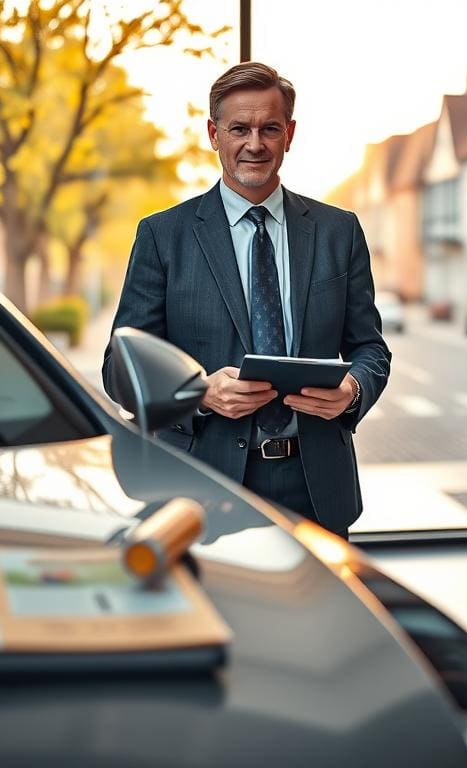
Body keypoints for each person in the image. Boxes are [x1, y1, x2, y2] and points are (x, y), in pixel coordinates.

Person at [102, 62, 390, 538]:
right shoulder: (162, 236)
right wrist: (199, 392)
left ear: (289, 134)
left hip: (317, 486)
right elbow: (119, 368)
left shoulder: (339, 232)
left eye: (269, 128)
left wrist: (352, 391)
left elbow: (370, 349)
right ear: (214, 134)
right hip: (202, 485)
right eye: (239, 128)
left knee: (317, 614)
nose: (254, 144)